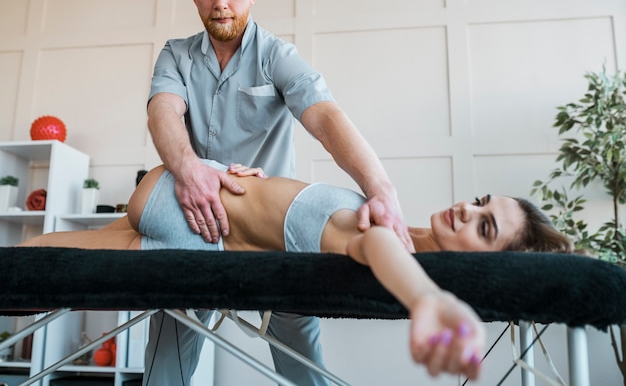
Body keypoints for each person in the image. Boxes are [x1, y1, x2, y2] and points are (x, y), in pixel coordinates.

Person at [19, 161, 573, 381]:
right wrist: (428, 299)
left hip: (177, 204)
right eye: (481, 202)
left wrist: (427, 296)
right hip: (186, 207)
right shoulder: (389, 225)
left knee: (42, 263)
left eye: (484, 228)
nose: (467, 210)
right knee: (44, 272)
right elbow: (375, 243)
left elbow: (375, 251)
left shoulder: (393, 242)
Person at [146, 0, 413, 383]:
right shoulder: (175, 54)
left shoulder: (276, 55)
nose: (220, 1)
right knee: (164, 363)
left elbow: (324, 116)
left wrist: (381, 189)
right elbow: (162, 110)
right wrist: (188, 169)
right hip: (197, 224)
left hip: (268, 236)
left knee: (302, 365)